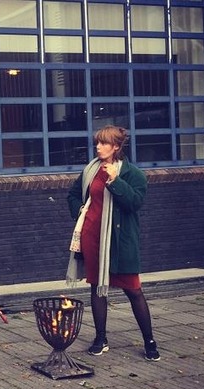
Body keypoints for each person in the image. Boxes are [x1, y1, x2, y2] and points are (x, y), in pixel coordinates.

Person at [66, 125, 160, 361]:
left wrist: (115, 180)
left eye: (103, 143)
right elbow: (73, 194)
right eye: (97, 142)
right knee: (97, 288)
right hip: (93, 238)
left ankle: (149, 340)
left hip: (120, 242)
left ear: (116, 146)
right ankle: (100, 338)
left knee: (133, 290)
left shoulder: (133, 174)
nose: (98, 146)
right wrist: (81, 213)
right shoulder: (91, 169)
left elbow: (134, 203)